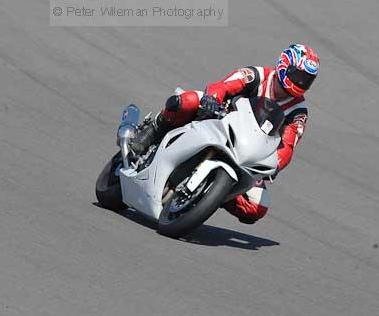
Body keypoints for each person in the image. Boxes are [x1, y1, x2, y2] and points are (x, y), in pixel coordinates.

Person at [130, 43, 319, 224]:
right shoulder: (256, 75)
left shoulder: (298, 112)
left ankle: (212, 195)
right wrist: (213, 98)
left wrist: (274, 165)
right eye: (298, 75)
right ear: (285, 65)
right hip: (219, 121)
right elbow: (223, 86)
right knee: (187, 100)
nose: (301, 82)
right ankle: (154, 129)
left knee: (257, 207)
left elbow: (288, 144)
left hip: (247, 153)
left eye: (307, 80)